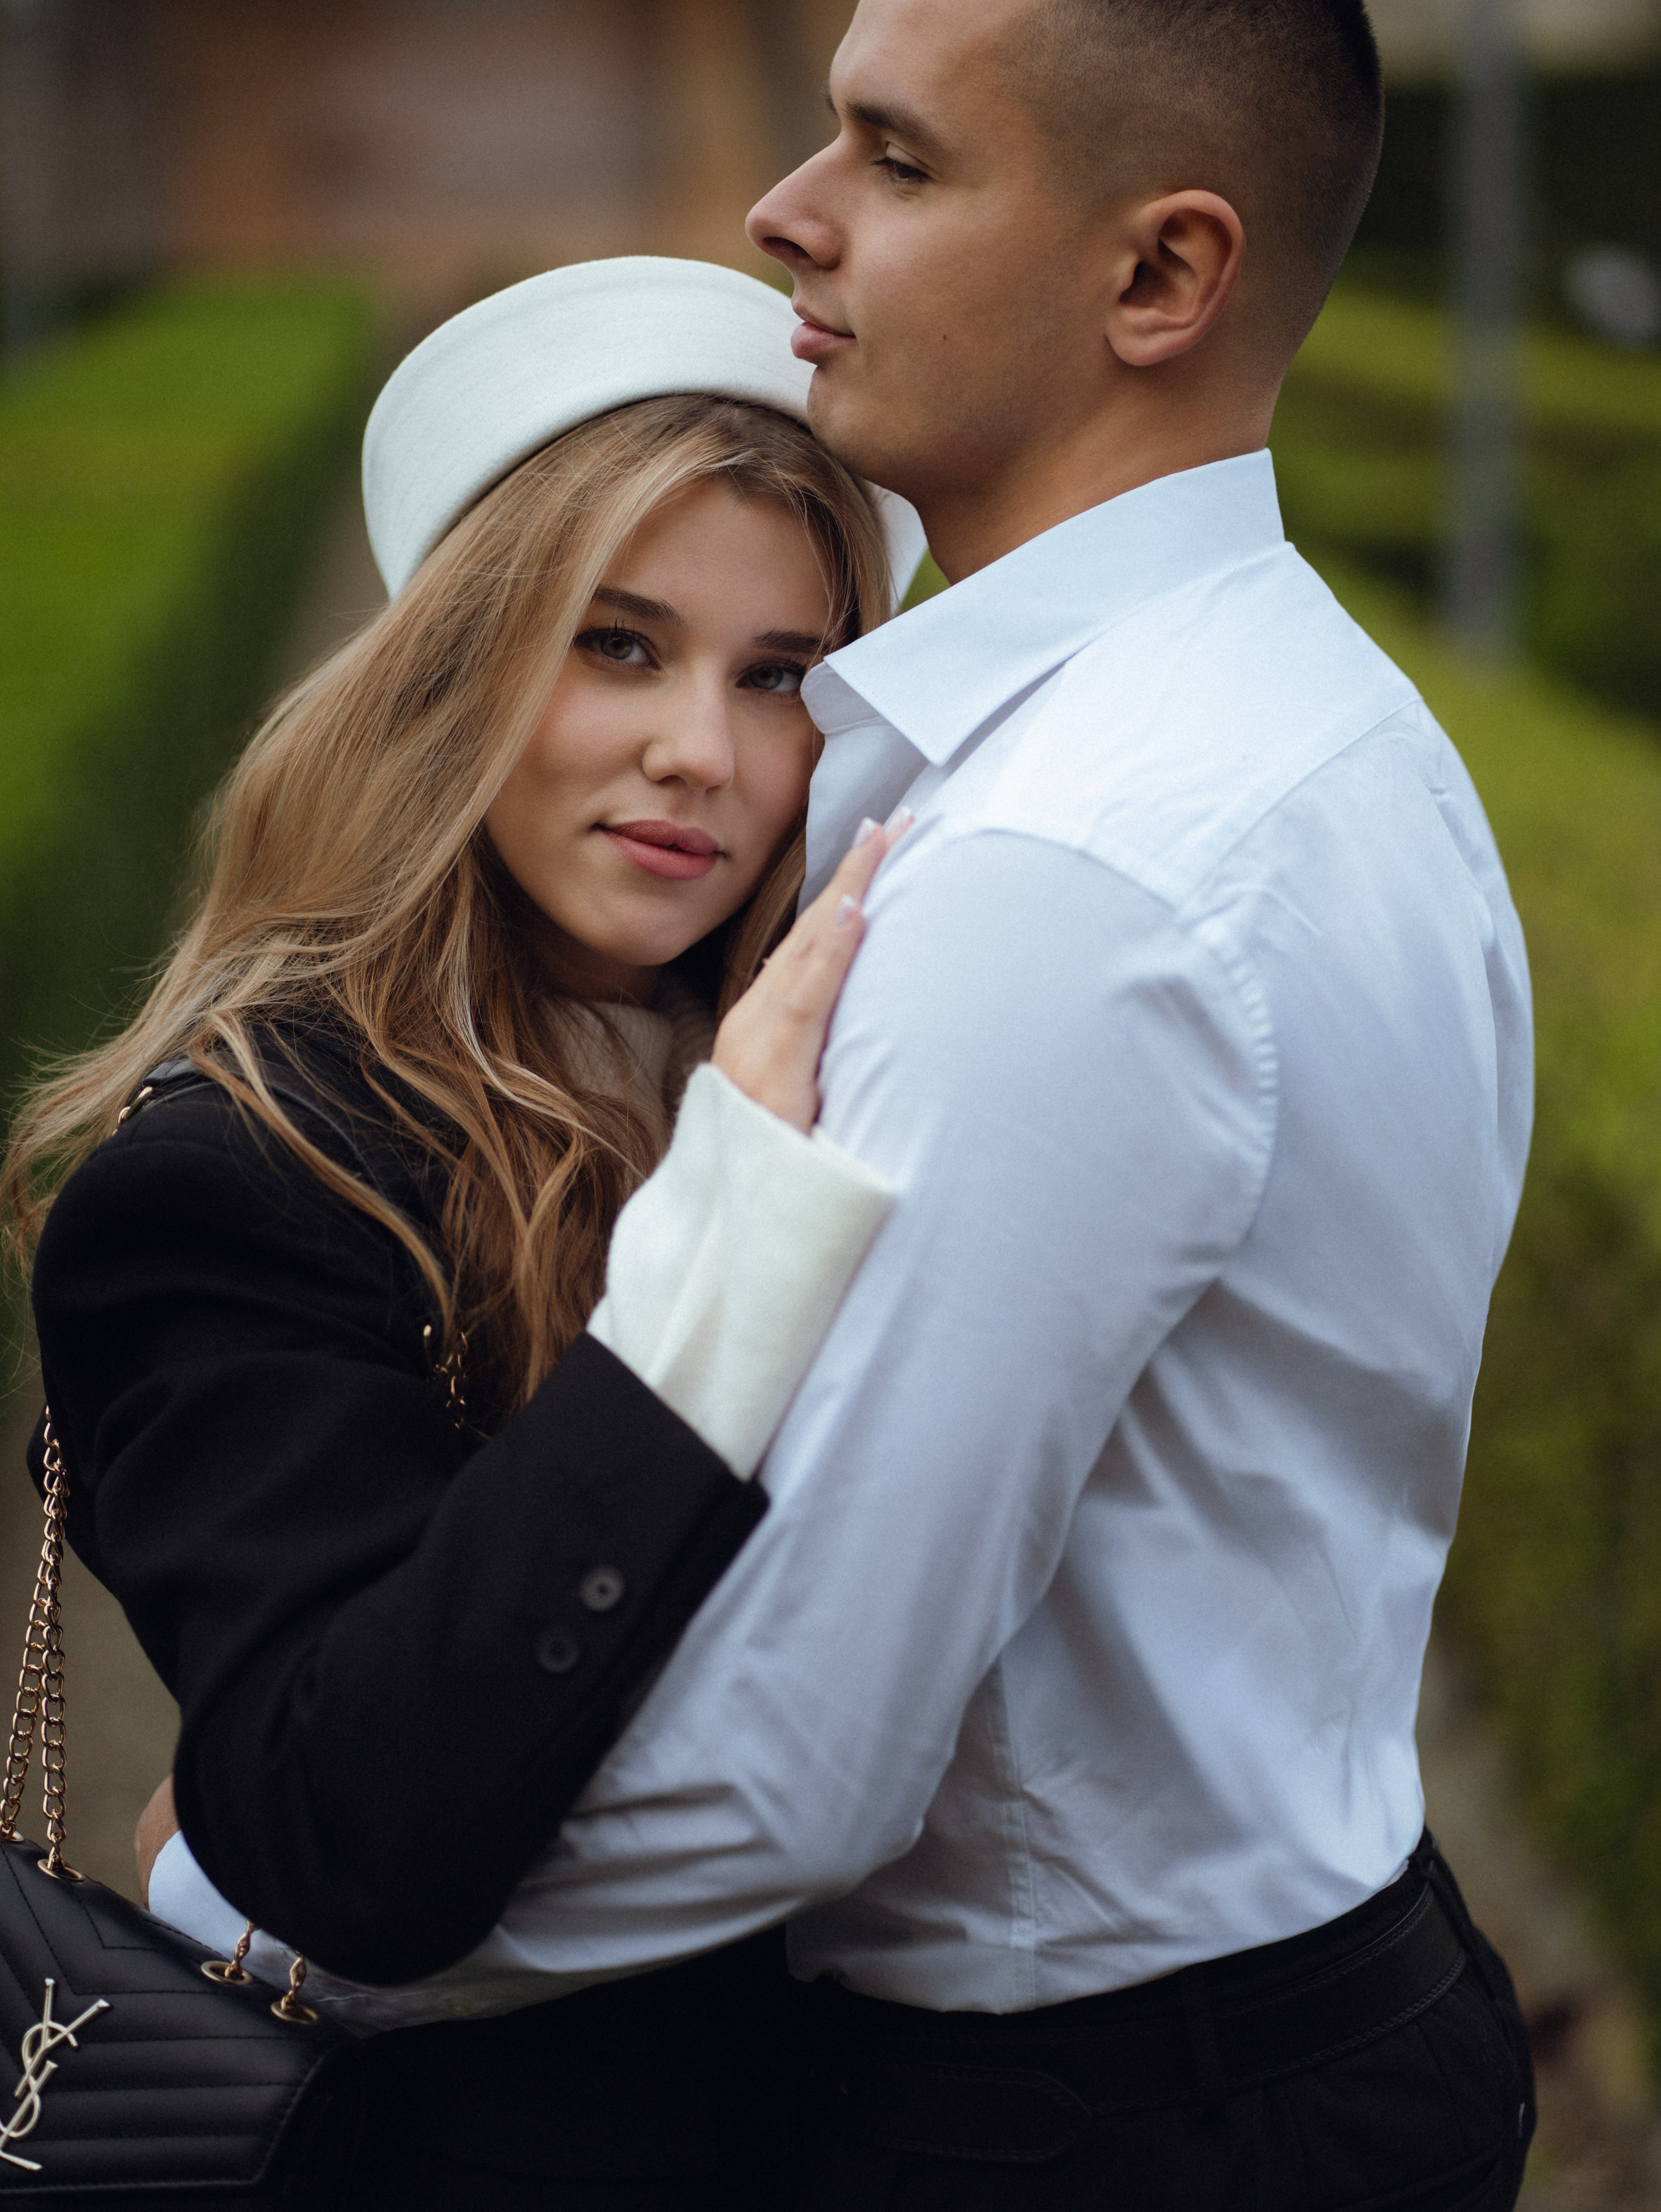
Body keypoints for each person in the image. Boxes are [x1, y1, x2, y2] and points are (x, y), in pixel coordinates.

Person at [267, 3, 1538, 2208]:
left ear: (1162, 279)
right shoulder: (1313, 707)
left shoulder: (1070, 868)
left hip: (1085, 2115)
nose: (788, 207)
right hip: (1306, 1991)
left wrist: (262, 1931)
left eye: (899, 157)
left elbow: (796, 1767)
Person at [3, 259, 925, 2208]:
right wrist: (735, 1232)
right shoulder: (245, 1167)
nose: (702, 748)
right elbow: (354, 1830)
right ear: (460, 665)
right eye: (618, 645)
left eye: (778, 677)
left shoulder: (843, 1056)